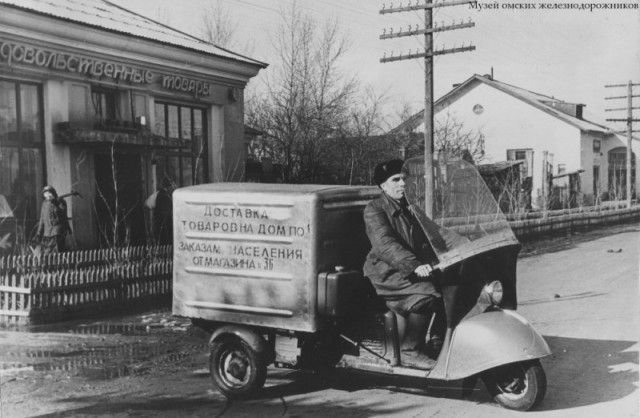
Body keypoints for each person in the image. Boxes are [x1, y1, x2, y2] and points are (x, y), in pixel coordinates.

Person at [363, 159, 446, 366]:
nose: (402, 184)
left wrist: (467, 244)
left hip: (407, 270)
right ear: (383, 185)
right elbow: (385, 244)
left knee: (453, 284)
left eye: (404, 179)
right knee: (428, 294)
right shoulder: (375, 210)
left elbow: (436, 233)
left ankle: (437, 340)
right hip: (386, 273)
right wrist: (415, 265)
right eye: (396, 180)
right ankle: (410, 349)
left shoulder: (410, 208)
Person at [34, 185, 70, 254]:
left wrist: (56, 203)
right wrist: (39, 233)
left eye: (49, 193)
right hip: (47, 233)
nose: (47, 195)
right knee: (46, 252)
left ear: (53, 193)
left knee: (57, 251)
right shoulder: (44, 204)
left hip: (57, 232)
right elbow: (42, 219)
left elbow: (63, 216)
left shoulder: (61, 202)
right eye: (45, 193)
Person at [153, 177, 174, 244]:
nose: (172, 188)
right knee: (165, 241)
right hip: (164, 223)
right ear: (168, 187)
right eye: (170, 186)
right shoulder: (164, 196)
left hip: (161, 223)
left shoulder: (161, 195)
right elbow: (166, 211)